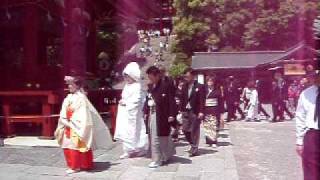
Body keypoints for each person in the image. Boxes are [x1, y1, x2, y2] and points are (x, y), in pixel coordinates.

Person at [55, 75, 113, 174]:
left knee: (76, 143)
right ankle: (77, 164)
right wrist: (64, 119)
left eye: (71, 84)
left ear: (77, 86)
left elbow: (82, 114)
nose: (69, 86)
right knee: (68, 144)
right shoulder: (69, 96)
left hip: (75, 123)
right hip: (68, 122)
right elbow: (64, 110)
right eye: (68, 84)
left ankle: (77, 166)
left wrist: (71, 122)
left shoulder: (81, 98)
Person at [144, 66, 176, 168]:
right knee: (154, 136)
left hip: (162, 114)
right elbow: (146, 99)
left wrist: (171, 114)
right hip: (152, 113)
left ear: (157, 75)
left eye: (152, 77)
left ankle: (158, 159)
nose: (150, 79)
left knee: (159, 137)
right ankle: (161, 156)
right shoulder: (150, 86)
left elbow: (171, 101)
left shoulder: (166, 85)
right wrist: (145, 111)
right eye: (149, 77)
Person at [114, 62, 148, 159]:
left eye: (128, 77)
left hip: (134, 113)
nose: (126, 79)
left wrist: (127, 103)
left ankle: (140, 148)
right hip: (125, 113)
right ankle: (127, 150)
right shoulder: (127, 86)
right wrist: (123, 101)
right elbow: (125, 97)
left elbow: (137, 100)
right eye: (125, 77)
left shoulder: (137, 86)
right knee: (125, 131)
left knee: (136, 130)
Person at [295, 70, 320, 180]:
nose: (314, 79)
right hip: (312, 135)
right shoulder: (306, 94)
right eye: (312, 76)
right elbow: (300, 117)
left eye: (316, 76)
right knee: (311, 172)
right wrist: (299, 141)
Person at [180, 68, 205, 157]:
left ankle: (194, 149)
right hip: (185, 111)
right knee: (184, 129)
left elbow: (202, 100)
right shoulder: (184, 86)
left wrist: (201, 111)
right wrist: (181, 110)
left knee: (194, 130)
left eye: (188, 76)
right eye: (185, 76)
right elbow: (182, 99)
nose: (186, 77)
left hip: (195, 111)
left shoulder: (200, 86)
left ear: (193, 76)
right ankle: (192, 144)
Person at [203, 75, 224, 147]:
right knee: (207, 125)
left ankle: (214, 141)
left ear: (214, 82)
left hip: (215, 109)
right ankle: (209, 141)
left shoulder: (217, 90)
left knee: (214, 125)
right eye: (208, 81)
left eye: (211, 81)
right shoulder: (204, 90)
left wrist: (221, 112)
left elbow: (221, 101)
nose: (210, 82)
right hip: (206, 109)